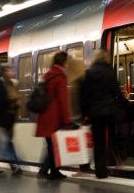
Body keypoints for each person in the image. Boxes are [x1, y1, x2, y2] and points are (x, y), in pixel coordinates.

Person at [81, 50, 123, 179]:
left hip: (94, 113)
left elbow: (84, 95)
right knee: (110, 138)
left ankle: (100, 171)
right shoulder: (110, 73)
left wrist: (85, 113)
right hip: (108, 112)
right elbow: (116, 92)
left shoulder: (88, 73)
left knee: (98, 142)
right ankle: (113, 161)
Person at [35, 51, 71, 180]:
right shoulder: (60, 76)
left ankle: (53, 171)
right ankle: (45, 171)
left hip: (45, 115)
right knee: (53, 146)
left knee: (52, 145)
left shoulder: (47, 75)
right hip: (54, 117)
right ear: (64, 62)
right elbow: (63, 100)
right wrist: (67, 120)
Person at [0, 64, 22, 175]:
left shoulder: (13, 83)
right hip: (3, 118)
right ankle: (14, 166)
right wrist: (12, 102)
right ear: (3, 72)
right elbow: (2, 101)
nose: (11, 72)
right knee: (7, 143)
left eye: (11, 70)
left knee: (2, 143)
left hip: (10, 118)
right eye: (9, 70)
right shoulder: (0, 84)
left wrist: (16, 103)